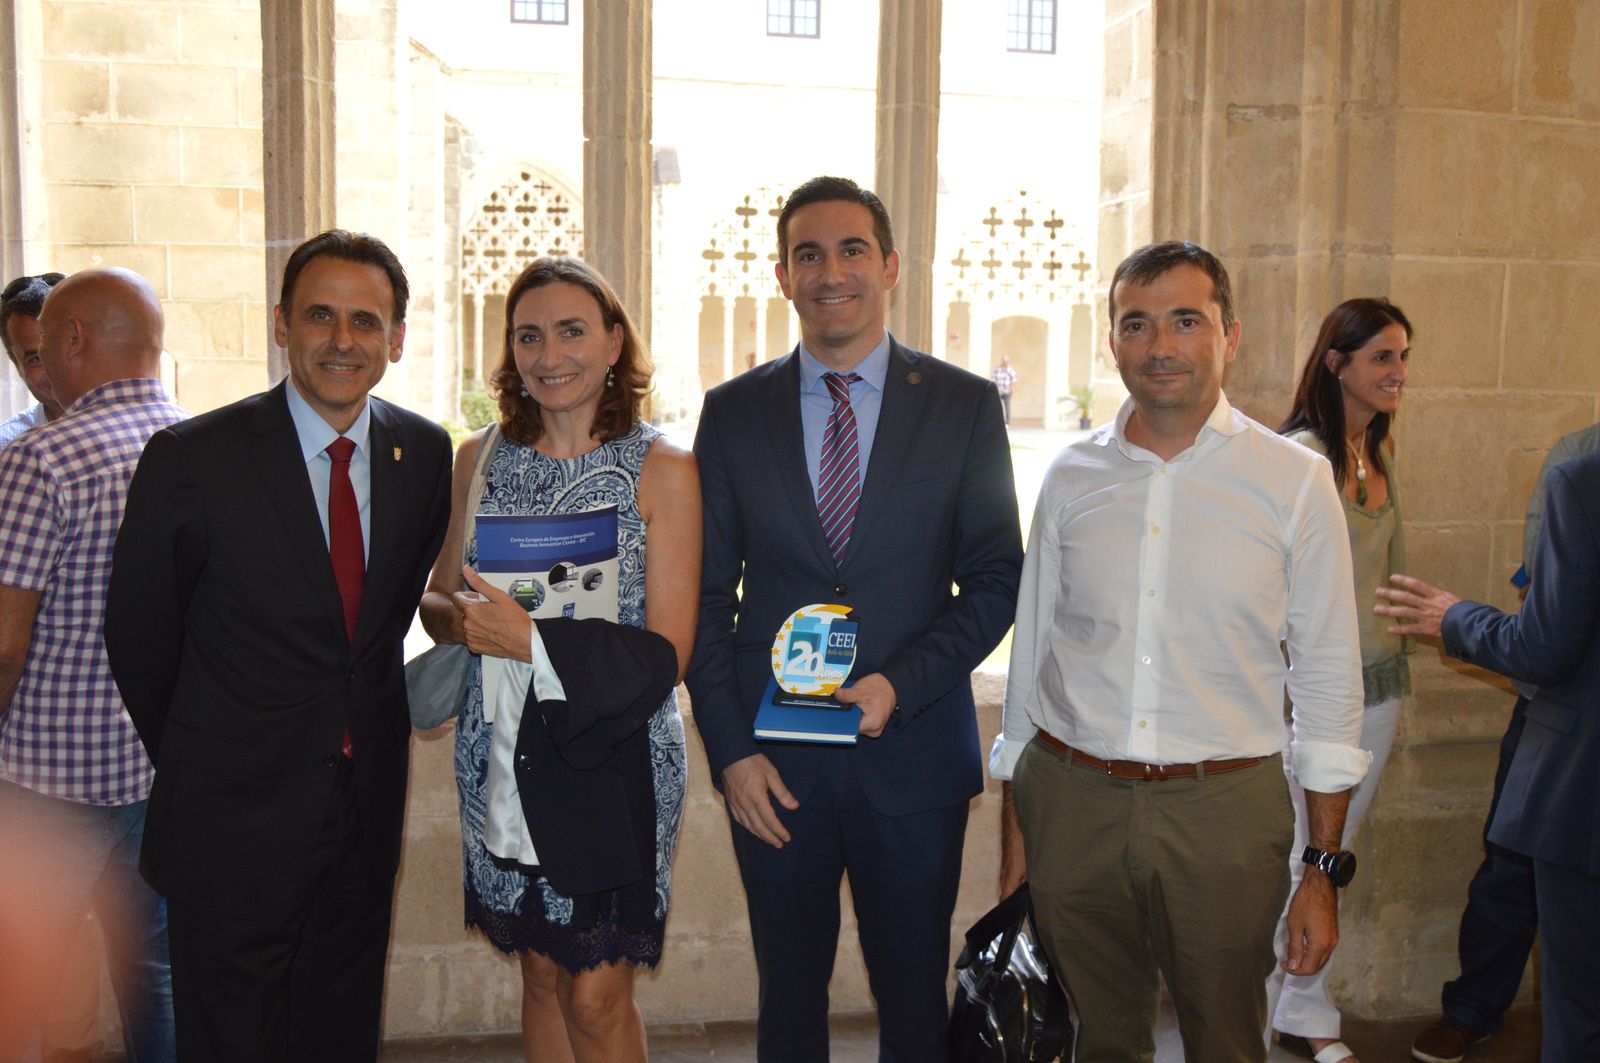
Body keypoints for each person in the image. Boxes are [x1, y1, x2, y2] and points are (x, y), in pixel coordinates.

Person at [993, 241, 1369, 1061]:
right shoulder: (1070, 476)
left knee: (1226, 1036)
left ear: (1229, 335)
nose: (1161, 346)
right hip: (1074, 798)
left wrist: (1321, 870)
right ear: (1114, 341)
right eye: (1137, 324)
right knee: (1097, 1037)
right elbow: (1033, 667)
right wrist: (1018, 845)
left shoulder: (1294, 483)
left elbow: (1332, 679)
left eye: (1186, 321)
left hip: (1224, 814)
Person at [686, 175, 1023, 1062]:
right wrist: (730, 753)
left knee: (914, 993)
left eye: (851, 250)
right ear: (783, 276)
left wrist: (895, 685)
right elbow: (707, 600)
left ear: (891, 266)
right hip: (774, 762)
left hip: (910, 758)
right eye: (808, 254)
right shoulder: (733, 412)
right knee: (787, 994)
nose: (830, 271)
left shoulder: (962, 405)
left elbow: (995, 581)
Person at [103, 230, 452, 1062]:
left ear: (396, 340)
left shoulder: (423, 453)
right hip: (228, 824)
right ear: (281, 324)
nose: (343, 340)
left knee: (340, 1031)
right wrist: (210, 754)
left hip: (359, 817)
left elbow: (380, 625)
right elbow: (140, 636)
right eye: (321, 315)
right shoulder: (193, 458)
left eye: (366, 321)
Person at [418, 255, 699, 1063]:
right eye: (529, 336)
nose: (549, 356)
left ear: (615, 341)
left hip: (613, 759)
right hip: (500, 747)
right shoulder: (479, 457)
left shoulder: (663, 467)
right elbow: (435, 601)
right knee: (540, 975)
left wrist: (530, 638)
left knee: (595, 992)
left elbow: (671, 648)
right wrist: (468, 622)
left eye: (572, 331)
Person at [0, 268, 182, 1061]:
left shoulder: (41, 459)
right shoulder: (201, 446)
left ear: (72, 340)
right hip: (158, 770)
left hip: (44, 784)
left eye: (41, 348)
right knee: (157, 975)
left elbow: (6, 640)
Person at [1377, 447, 1600, 1062]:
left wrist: (1456, 618)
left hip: (1584, 786)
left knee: (1580, 1014)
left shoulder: (1583, 476)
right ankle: (1473, 1010)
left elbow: (1545, 649)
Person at [1266, 298, 1415, 1063]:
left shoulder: (1377, 454)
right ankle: (1270, 1014)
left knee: (1333, 855)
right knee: (1298, 854)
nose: (1398, 373)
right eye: (1383, 357)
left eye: (1403, 358)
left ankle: (1302, 1004)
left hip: (1380, 686)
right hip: (1314, 693)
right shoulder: (1300, 456)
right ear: (1337, 363)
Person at [0, 272, 66, 446]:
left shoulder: (139, 428)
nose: (53, 368)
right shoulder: (7, 447)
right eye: (36, 358)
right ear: (15, 362)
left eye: (61, 349)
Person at [992, 353, 1018, 425]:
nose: (1005, 362)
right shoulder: (997, 369)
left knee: (1007, 407)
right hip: (999, 391)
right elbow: (993, 379)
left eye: (1007, 361)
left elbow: (1014, 380)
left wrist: (1010, 389)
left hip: (1007, 392)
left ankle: (1007, 423)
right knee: (998, 407)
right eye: (1004, 361)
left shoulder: (1010, 370)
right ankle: (998, 422)